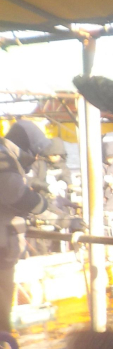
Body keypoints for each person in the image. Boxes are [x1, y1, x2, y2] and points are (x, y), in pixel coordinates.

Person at [0, 121, 50, 334]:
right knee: (2, 317)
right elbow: (18, 196)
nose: (36, 158)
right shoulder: (4, 160)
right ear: (24, 147)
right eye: (35, 152)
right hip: (2, 250)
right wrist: (43, 203)